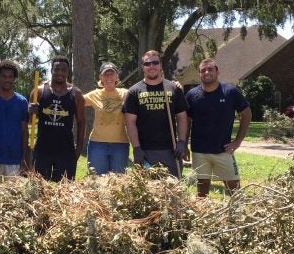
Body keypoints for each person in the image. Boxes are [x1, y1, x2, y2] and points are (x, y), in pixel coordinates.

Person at [185, 58, 252, 197]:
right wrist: (184, 144)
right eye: (203, 70)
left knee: (234, 191)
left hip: (224, 150)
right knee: (202, 193)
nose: (207, 72)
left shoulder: (230, 92)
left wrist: (238, 141)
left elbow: (246, 114)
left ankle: (236, 217)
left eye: (210, 69)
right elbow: (187, 122)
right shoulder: (192, 95)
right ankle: (204, 216)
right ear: (199, 74)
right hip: (199, 152)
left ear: (217, 71)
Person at [122, 50, 188, 178]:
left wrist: (182, 141)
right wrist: (136, 148)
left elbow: (182, 117)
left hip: (171, 150)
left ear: (160, 65)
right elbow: (130, 122)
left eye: (155, 62)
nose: (151, 66)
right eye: (147, 63)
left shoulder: (173, 88)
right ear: (143, 67)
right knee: (147, 193)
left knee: (172, 191)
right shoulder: (134, 92)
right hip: (146, 151)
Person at [28, 55, 86, 181]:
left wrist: (79, 148)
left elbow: (81, 123)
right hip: (42, 150)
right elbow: (28, 120)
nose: (60, 73)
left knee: (65, 192)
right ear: (51, 70)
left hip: (66, 151)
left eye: (63, 70)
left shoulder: (76, 94)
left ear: (67, 72)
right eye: (57, 69)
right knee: (39, 189)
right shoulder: (39, 91)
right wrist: (30, 111)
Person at [0, 60, 29, 182]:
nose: (7, 80)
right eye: (4, 76)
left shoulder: (22, 102)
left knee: (13, 197)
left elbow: (24, 132)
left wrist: (24, 158)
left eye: (10, 77)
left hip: (14, 159)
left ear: (14, 79)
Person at [84, 62, 129, 174]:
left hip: (120, 145)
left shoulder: (125, 93)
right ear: (101, 77)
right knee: (97, 182)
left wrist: (172, 85)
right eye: (106, 74)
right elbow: (73, 98)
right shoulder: (94, 94)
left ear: (117, 76)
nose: (109, 77)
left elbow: (143, 93)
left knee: (119, 184)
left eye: (111, 74)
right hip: (98, 145)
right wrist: (55, 85)